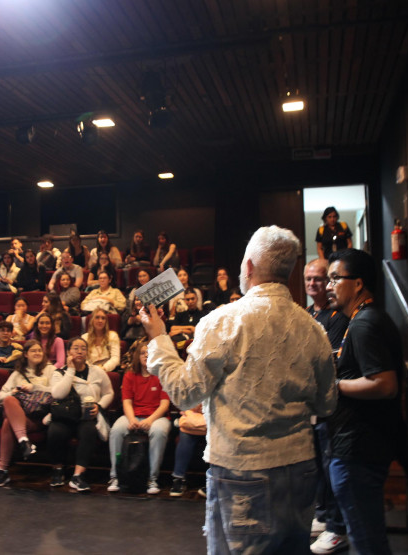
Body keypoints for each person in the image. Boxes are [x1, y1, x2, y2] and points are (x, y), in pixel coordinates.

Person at [140, 225, 337, 554]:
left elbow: (184, 393)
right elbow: (327, 403)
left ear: (248, 267)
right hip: (301, 468)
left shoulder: (223, 322)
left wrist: (159, 337)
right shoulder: (313, 328)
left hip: (243, 471)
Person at [324, 248, 408, 555]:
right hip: (359, 448)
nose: (328, 286)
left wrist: (335, 386)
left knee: (368, 543)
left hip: (358, 451)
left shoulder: (364, 324)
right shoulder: (365, 320)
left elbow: (385, 385)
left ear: (358, 284)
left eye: (336, 278)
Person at [304, 258, 351, 554]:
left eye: (319, 279)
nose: (312, 284)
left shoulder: (338, 316)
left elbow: (328, 360)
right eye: (308, 279)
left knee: (331, 466)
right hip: (310, 405)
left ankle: (337, 528)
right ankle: (323, 516)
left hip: (330, 406)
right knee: (318, 466)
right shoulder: (307, 314)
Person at [47, 336, 114, 492]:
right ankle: (57, 470)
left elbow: (109, 393)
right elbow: (58, 394)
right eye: (75, 348)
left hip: (86, 415)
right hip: (65, 415)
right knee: (54, 431)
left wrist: (100, 405)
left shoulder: (97, 372)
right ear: (69, 351)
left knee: (89, 431)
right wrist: (70, 370)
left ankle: (78, 476)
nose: (80, 351)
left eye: (83, 348)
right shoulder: (59, 373)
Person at [0, 339, 57, 487]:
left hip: (39, 417)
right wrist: (14, 391)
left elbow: (57, 392)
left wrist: (35, 387)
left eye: (39, 350)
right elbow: (0, 396)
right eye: (33, 351)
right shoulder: (17, 374)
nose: (37, 353)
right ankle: (23, 441)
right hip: (21, 416)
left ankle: (2, 470)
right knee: (8, 400)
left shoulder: (51, 370)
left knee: (8, 422)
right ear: (25, 354)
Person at [106, 342, 170, 495]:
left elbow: (164, 404)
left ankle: (152, 478)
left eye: (149, 352)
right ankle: (116, 476)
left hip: (157, 417)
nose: (146, 355)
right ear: (137, 356)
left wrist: (150, 420)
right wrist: (132, 419)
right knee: (116, 430)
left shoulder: (162, 375)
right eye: (143, 353)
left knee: (158, 431)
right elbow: (126, 401)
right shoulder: (129, 376)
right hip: (134, 415)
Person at [169, 403, 207, 497]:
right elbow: (185, 400)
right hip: (191, 419)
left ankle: (215, 481)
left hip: (214, 418)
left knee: (219, 440)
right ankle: (178, 478)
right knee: (185, 436)